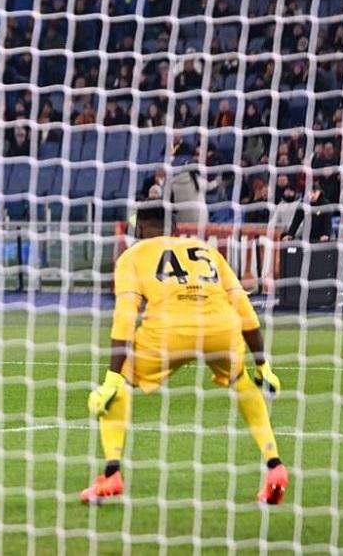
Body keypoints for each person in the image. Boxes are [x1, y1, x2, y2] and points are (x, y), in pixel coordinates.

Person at [81, 201, 287, 505]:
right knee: (242, 381)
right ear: (175, 229)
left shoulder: (132, 256)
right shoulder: (206, 250)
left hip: (168, 331)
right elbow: (243, 307)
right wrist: (262, 364)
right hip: (220, 327)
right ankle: (274, 467)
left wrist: (112, 377)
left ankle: (111, 474)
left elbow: (125, 316)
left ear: (138, 229)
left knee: (123, 382)